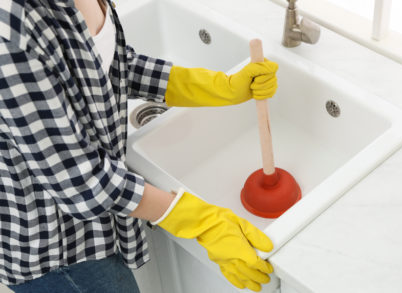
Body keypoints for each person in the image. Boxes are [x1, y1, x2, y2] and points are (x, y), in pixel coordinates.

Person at [0, 0, 278, 292]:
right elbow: (79, 181)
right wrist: (200, 221)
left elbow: (106, 66)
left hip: (102, 217)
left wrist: (217, 86)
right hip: (56, 249)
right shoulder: (10, 27)